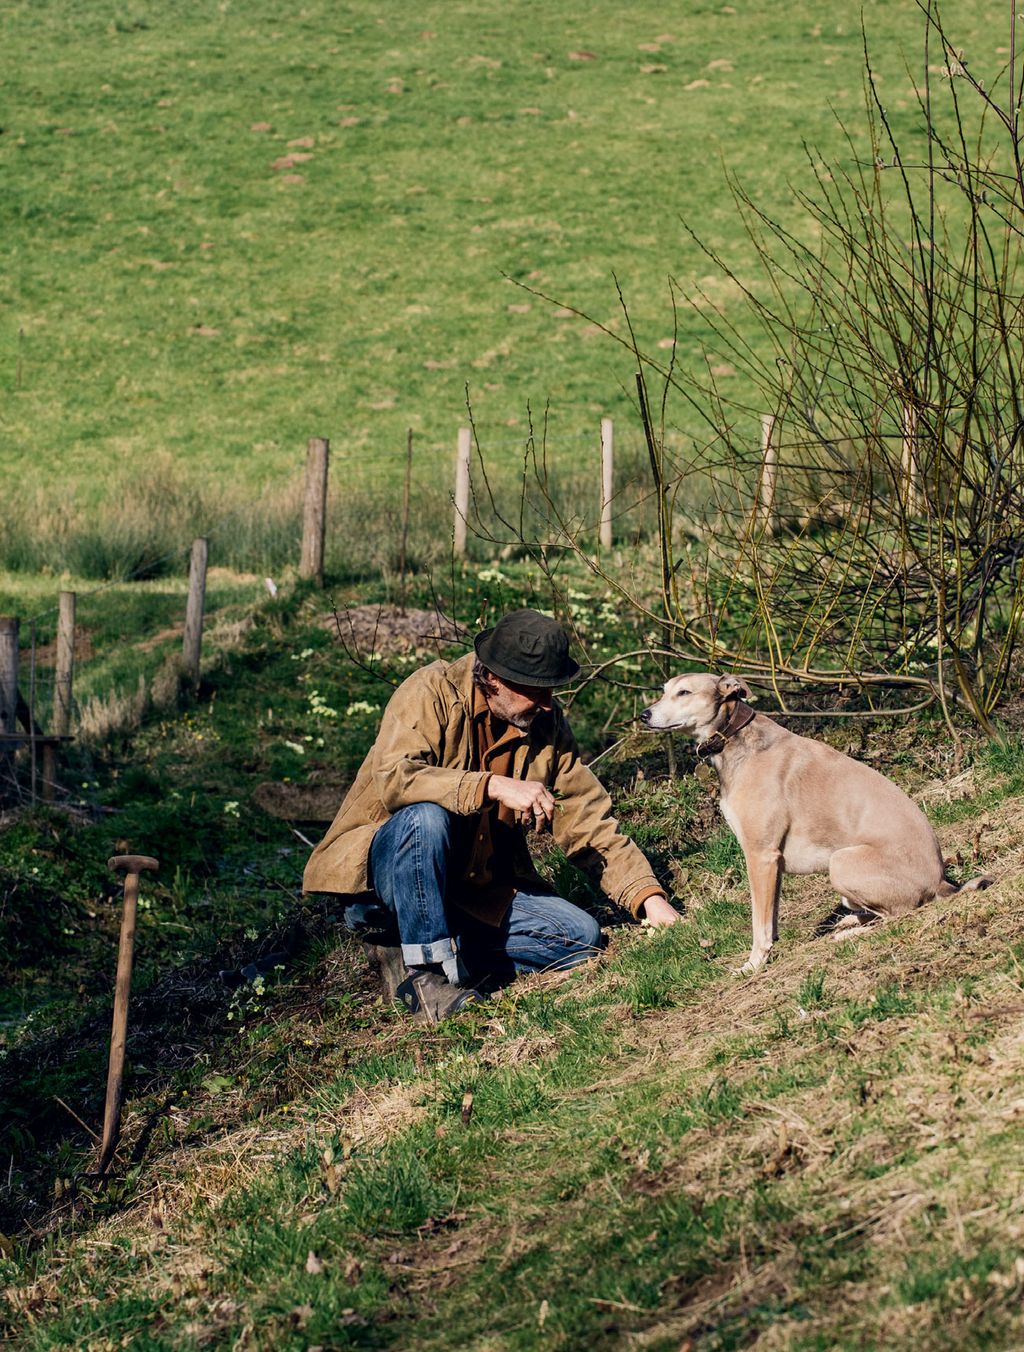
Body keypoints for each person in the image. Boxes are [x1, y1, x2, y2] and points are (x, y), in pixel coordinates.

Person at [302, 609, 679, 1021]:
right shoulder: (431, 691)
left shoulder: (544, 721)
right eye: (535, 690)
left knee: (579, 937)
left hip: (471, 887)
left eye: (551, 690)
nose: (547, 703)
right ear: (493, 678)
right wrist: (492, 786)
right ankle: (425, 977)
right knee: (425, 818)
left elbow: (585, 814)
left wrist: (649, 899)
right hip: (393, 872)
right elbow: (396, 778)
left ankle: (428, 954)